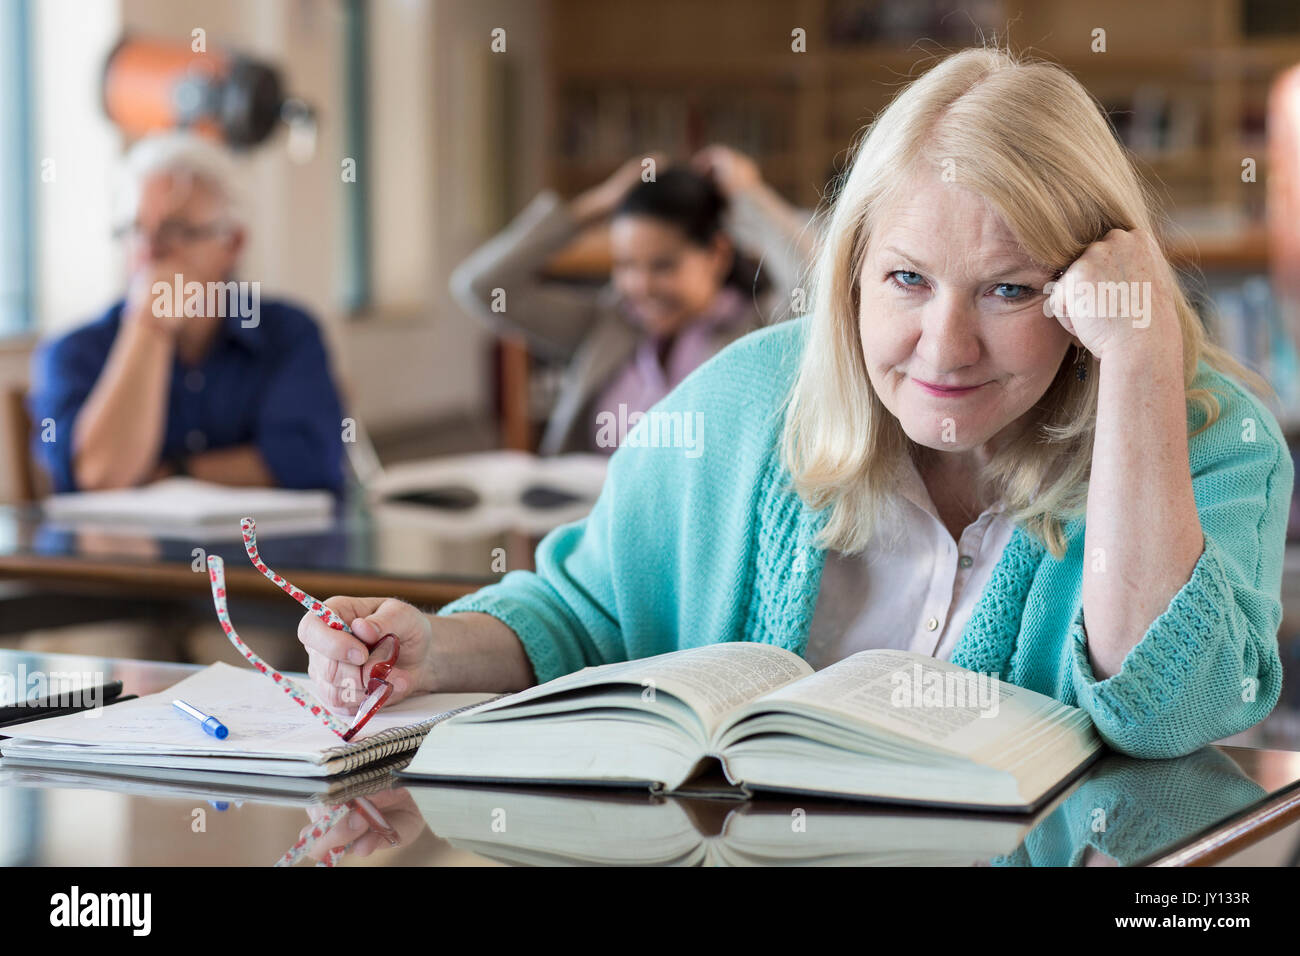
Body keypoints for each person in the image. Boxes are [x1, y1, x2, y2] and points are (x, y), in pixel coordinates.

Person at [300, 47, 1293, 759]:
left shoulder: (1210, 435)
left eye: (1009, 288)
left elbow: (1165, 712)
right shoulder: (744, 398)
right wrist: (433, 644)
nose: (943, 347)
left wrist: (1139, 364)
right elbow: (583, 609)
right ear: (851, 271)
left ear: (1086, 288)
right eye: (906, 279)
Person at [27, 132, 345, 494]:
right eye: (135, 230)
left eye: (175, 230)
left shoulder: (287, 331)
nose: (149, 252)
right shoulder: (72, 352)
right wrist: (150, 325)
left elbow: (309, 459)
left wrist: (171, 473)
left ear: (233, 243)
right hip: (125, 552)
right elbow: (103, 476)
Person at [450, 145, 816, 454]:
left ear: (717, 254)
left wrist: (752, 196)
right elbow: (482, 288)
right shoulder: (606, 324)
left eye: (663, 266)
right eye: (625, 264)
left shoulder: (764, 327)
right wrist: (596, 204)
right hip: (592, 524)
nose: (640, 286)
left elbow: (823, 287)